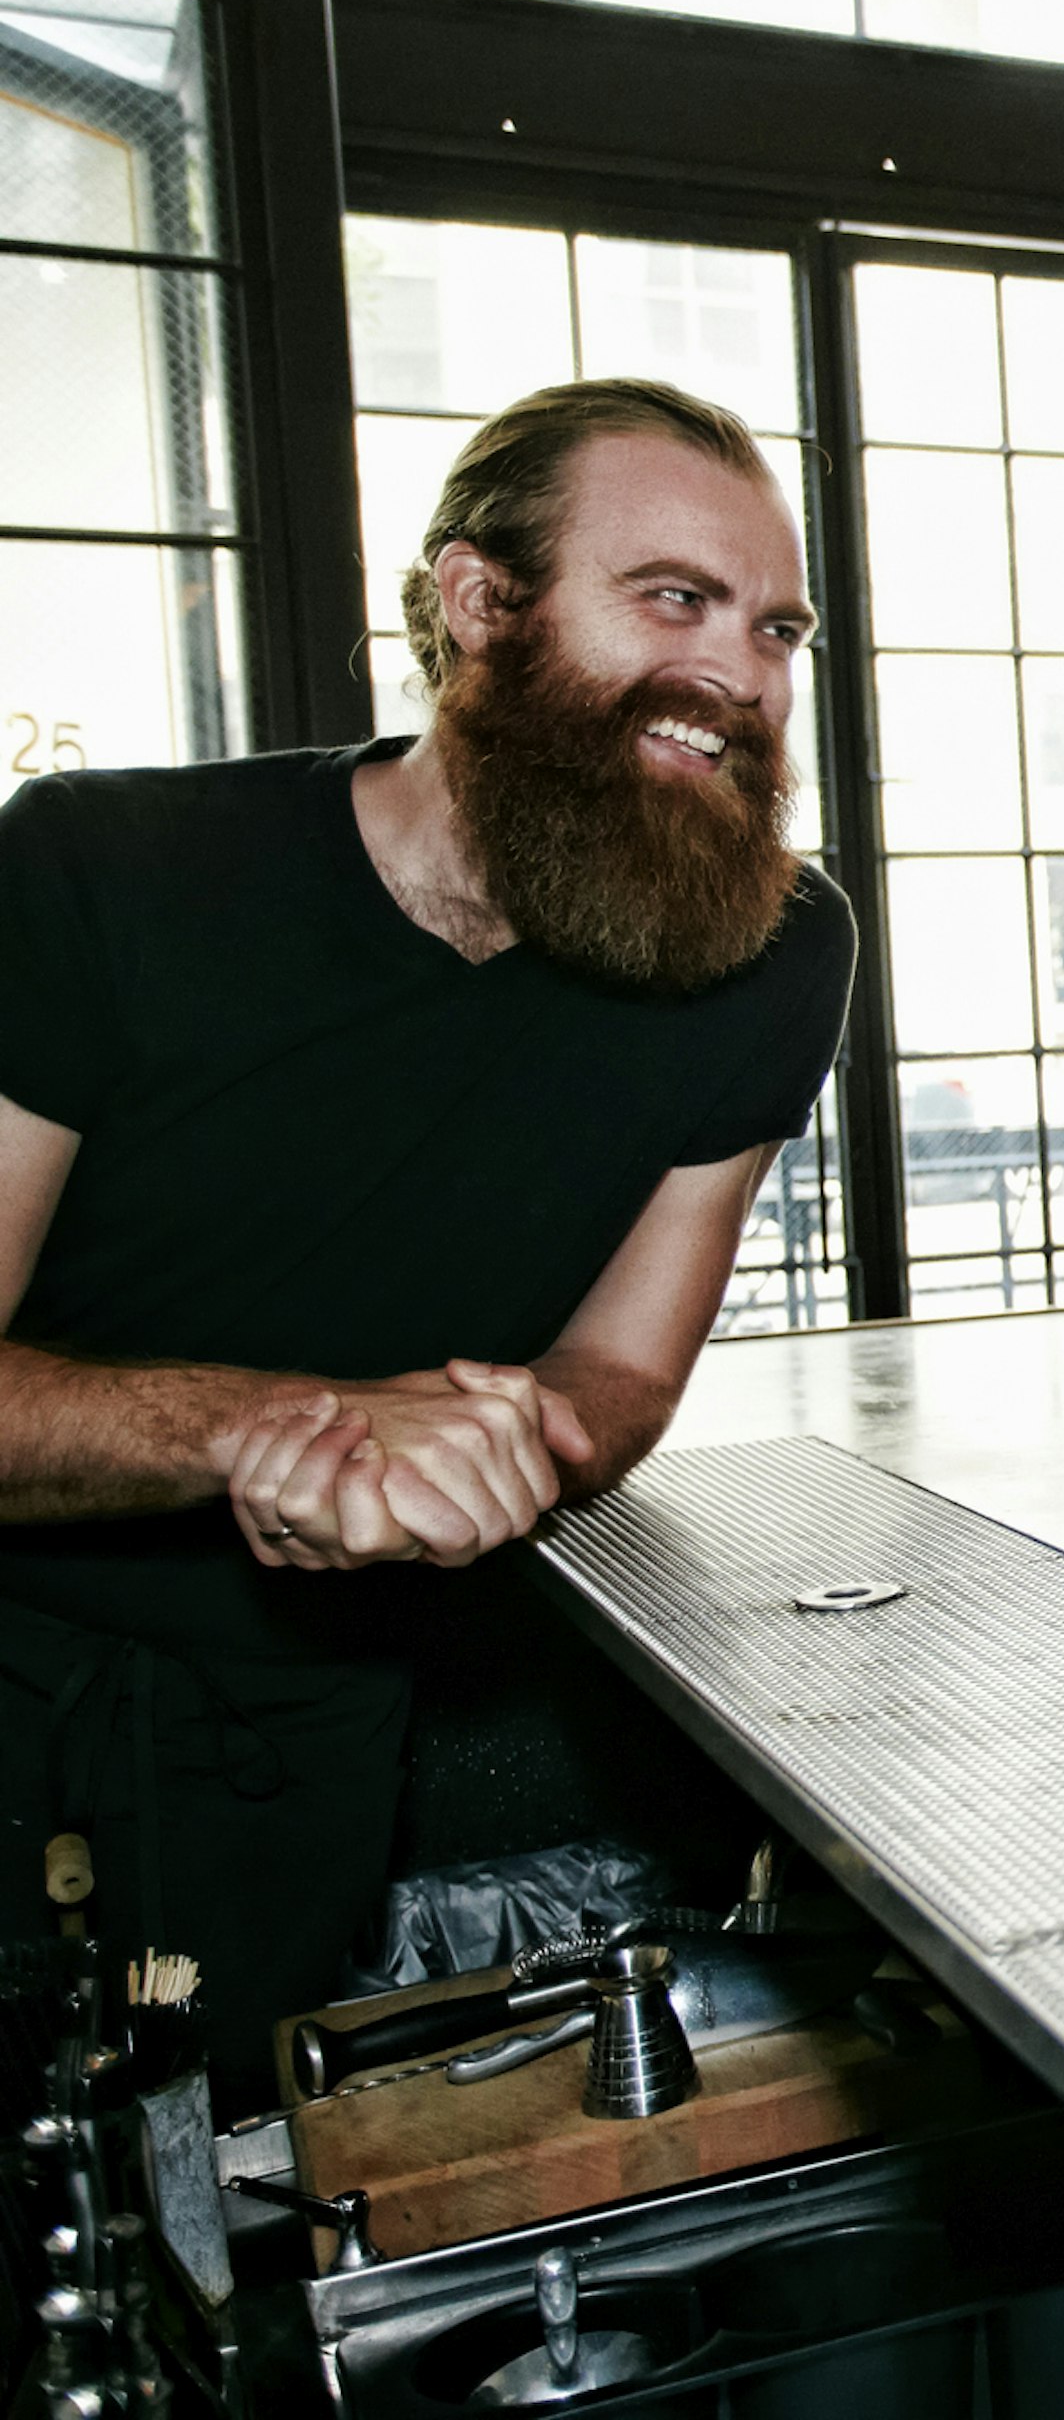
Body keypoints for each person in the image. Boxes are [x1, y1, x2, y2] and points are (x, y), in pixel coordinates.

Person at [0, 379, 858, 2100]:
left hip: (308, 1722)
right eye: (673, 601)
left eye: (776, 628)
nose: (747, 676)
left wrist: (495, 1449)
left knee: (232, 2233)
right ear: (478, 603)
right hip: (16, 1659)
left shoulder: (772, 950)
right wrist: (276, 1434)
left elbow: (618, 1369)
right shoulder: (100, 870)